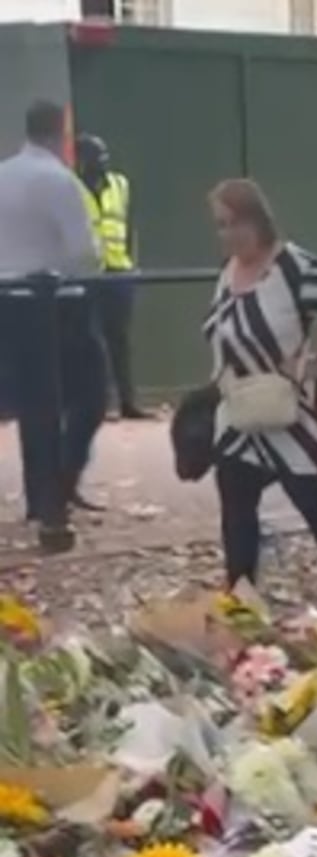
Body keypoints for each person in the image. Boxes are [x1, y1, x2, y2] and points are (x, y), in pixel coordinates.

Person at [205, 178, 317, 591]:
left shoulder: (293, 267)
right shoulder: (228, 273)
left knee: (316, 504)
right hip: (238, 414)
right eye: (220, 225)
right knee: (237, 513)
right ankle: (242, 600)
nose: (228, 234)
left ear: (257, 221)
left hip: (287, 413)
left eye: (234, 223)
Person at [0, 98, 106, 533]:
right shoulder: (58, 180)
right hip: (56, 300)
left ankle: (40, 498)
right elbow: (83, 254)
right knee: (91, 395)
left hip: (8, 297)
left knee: (33, 403)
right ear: (60, 131)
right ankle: (58, 489)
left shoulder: (3, 174)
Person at [75, 132, 145, 420]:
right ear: (81, 161)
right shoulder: (71, 188)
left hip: (119, 272)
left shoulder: (120, 184)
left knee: (120, 339)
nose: (102, 164)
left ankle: (128, 402)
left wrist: (132, 266)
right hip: (86, 274)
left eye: (104, 158)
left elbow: (128, 227)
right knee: (91, 340)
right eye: (95, 159)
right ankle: (100, 404)